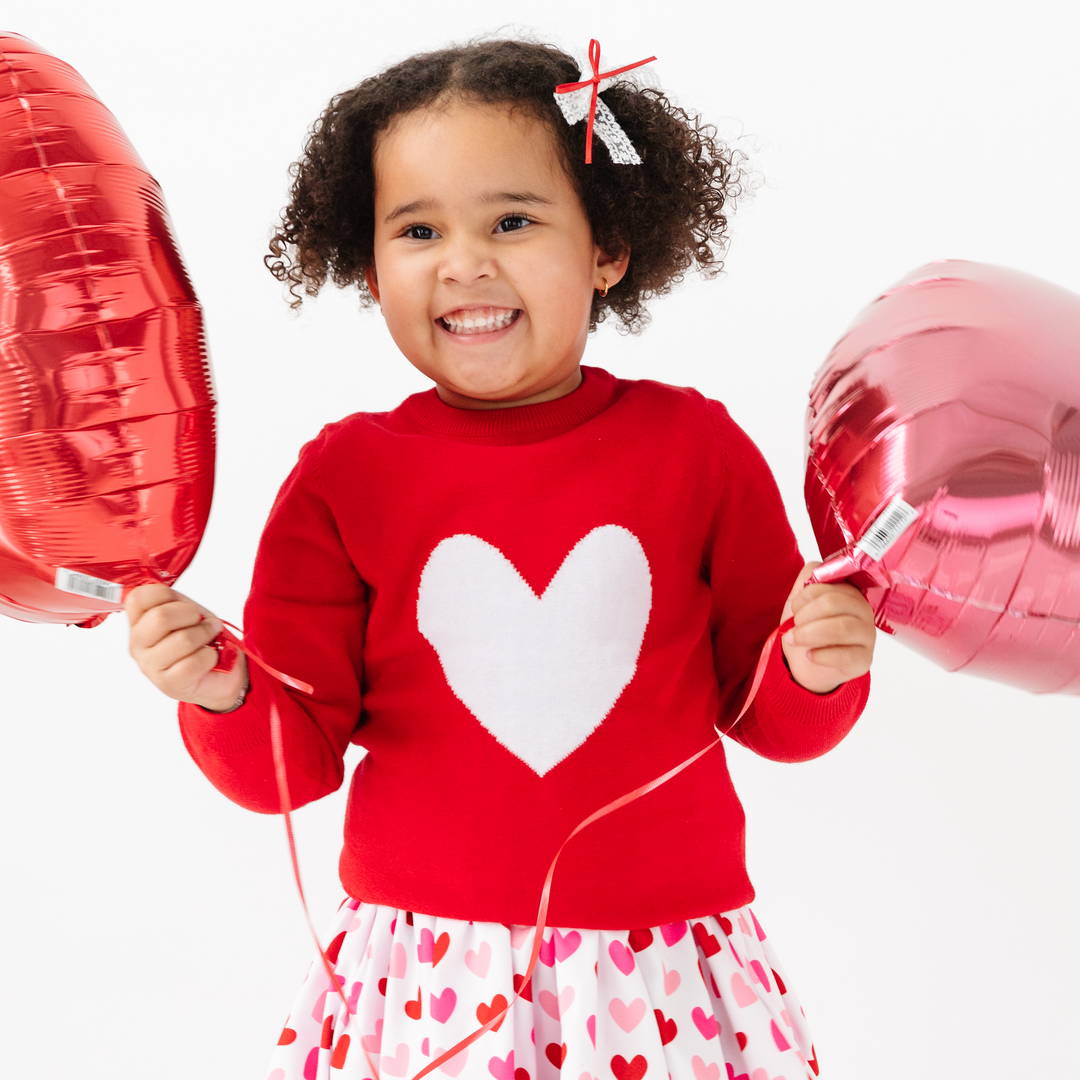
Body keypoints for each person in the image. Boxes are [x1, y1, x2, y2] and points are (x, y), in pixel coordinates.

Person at [125, 38, 875, 1080]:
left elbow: (771, 716)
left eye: (513, 221)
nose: (463, 261)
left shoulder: (693, 449)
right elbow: (288, 761)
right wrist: (218, 686)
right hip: (430, 979)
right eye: (418, 229)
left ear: (607, 245)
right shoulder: (344, 478)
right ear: (367, 260)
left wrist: (817, 665)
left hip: (660, 975)